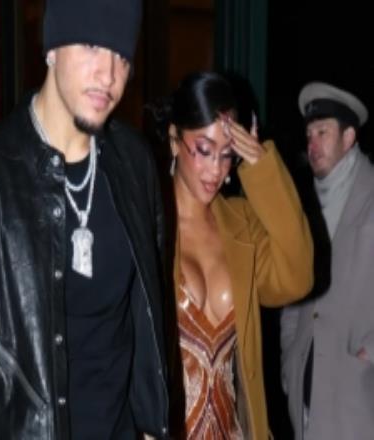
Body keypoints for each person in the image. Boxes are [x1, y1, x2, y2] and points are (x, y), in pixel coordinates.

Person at [0, 0, 170, 438]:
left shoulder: (134, 163)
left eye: (122, 55)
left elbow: (148, 317)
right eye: (92, 45)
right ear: (52, 48)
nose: (108, 75)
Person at [152, 72, 313, 439]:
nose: (216, 169)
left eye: (227, 155)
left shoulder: (241, 224)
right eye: (204, 150)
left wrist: (262, 166)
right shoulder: (148, 222)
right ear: (175, 139)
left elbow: (298, 275)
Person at [280, 81, 374, 440]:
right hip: (307, 391)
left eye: (322, 133)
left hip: (359, 395)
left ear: (349, 138)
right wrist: (289, 359)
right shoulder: (306, 205)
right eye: (309, 135)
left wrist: (370, 353)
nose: (312, 144)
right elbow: (293, 290)